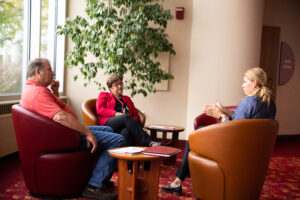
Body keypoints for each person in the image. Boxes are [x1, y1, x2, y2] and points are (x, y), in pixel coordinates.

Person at [161, 67, 276, 195]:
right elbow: (244, 123)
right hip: (252, 152)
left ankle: (178, 181)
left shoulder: (248, 101)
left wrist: (220, 116)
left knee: (193, 137)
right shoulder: (270, 104)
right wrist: (224, 110)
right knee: (198, 133)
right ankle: (179, 181)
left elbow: (235, 132)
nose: (242, 85)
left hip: (234, 150)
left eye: (245, 82)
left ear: (254, 83)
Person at [20, 58, 124, 200]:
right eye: (50, 69)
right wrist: (87, 132)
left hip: (62, 132)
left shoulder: (36, 90)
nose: (53, 73)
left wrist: (55, 92)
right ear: (38, 72)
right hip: (65, 136)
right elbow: (60, 117)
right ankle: (94, 185)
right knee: (118, 140)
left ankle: (99, 177)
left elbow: (55, 111)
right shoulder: (38, 93)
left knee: (109, 131)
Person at [96, 74, 161, 147]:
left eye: (121, 83)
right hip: (109, 122)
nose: (120, 86)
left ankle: (128, 157)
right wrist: (115, 114)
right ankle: (148, 142)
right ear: (110, 87)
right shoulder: (104, 95)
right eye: (116, 85)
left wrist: (130, 123)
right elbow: (100, 110)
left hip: (125, 123)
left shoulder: (127, 99)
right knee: (125, 117)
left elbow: (135, 116)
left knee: (126, 132)